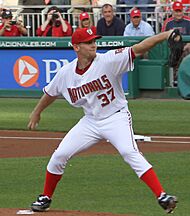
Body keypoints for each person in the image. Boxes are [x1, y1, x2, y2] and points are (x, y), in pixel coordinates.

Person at [28, 27, 178, 214]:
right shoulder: (66, 73)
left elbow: (138, 48)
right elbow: (50, 93)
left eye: (94, 41)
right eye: (88, 42)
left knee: (128, 151)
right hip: (90, 121)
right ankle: (45, 197)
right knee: (59, 155)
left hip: (116, 117)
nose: (94, 45)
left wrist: (165, 35)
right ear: (76, 47)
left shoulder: (108, 60)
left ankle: (162, 195)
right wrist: (37, 112)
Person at [161, 1, 190, 86]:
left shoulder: (188, 21)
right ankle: (174, 79)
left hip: (186, 46)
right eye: (176, 11)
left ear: (183, 11)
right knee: (174, 52)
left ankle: (184, 79)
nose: (178, 13)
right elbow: (162, 36)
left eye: (180, 11)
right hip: (172, 47)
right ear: (173, 12)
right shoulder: (168, 22)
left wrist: (188, 45)